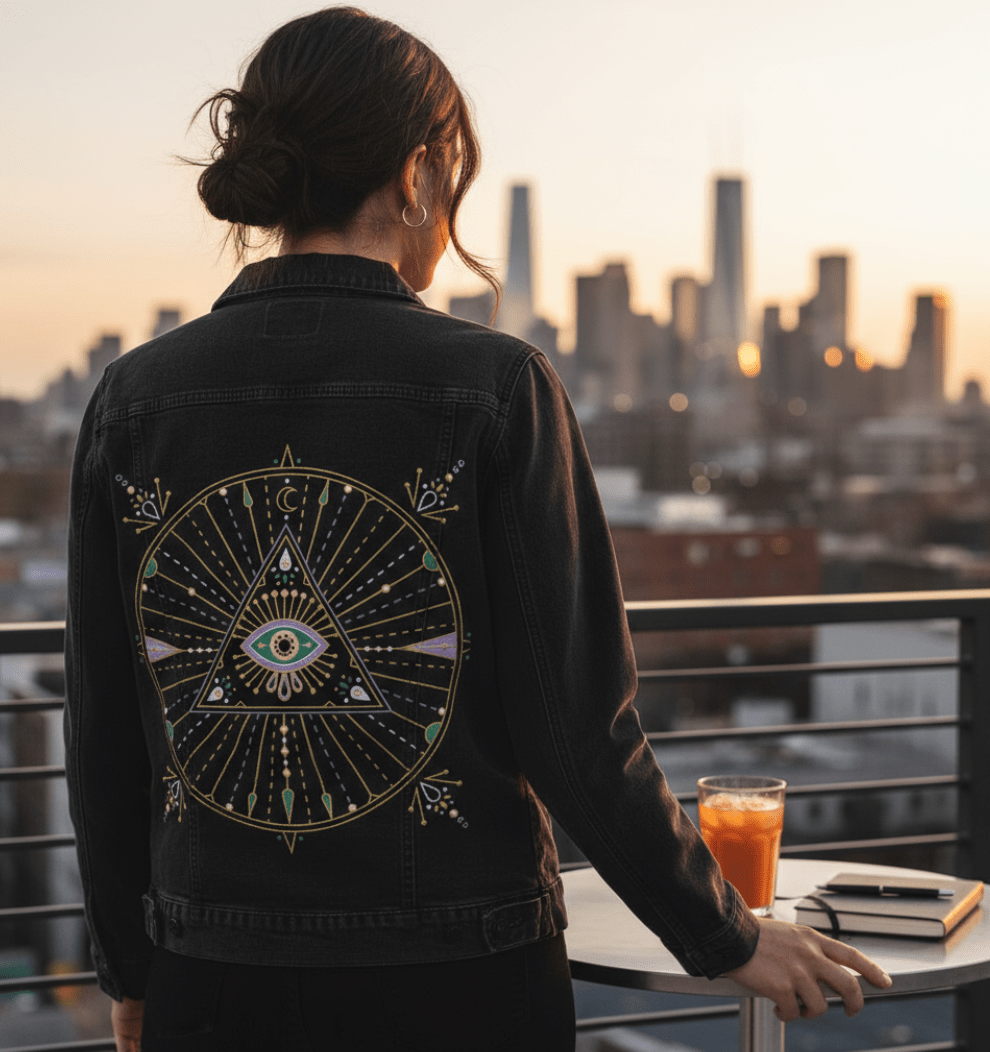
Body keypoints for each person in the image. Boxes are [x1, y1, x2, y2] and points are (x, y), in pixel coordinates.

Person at [64, 7, 891, 1051]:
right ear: (417, 174)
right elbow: (579, 727)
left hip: (214, 974)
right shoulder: (496, 385)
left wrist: (130, 970)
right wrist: (722, 932)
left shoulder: (132, 399)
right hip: (459, 977)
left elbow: (103, 730)